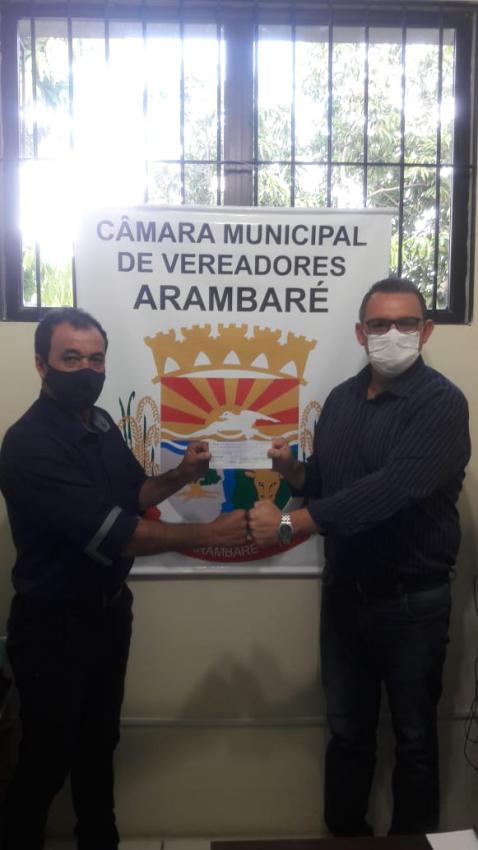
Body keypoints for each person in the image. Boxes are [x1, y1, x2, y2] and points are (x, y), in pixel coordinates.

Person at [0, 307, 247, 850]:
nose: (86, 369)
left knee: (98, 747)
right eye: (70, 358)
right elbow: (118, 534)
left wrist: (182, 475)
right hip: (53, 628)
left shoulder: (100, 423)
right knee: (45, 763)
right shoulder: (29, 444)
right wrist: (211, 533)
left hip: (108, 615)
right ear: (41, 365)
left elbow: (132, 495)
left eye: (95, 359)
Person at [248, 277, 471, 836]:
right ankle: (346, 839)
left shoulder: (442, 403)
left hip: (413, 602)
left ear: (426, 330)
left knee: (415, 741)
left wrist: (290, 523)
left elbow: (391, 490)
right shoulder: (342, 400)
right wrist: (293, 473)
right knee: (346, 734)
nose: (392, 333)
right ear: (360, 332)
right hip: (345, 594)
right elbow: (328, 486)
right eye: (379, 324)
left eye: (405, 323)